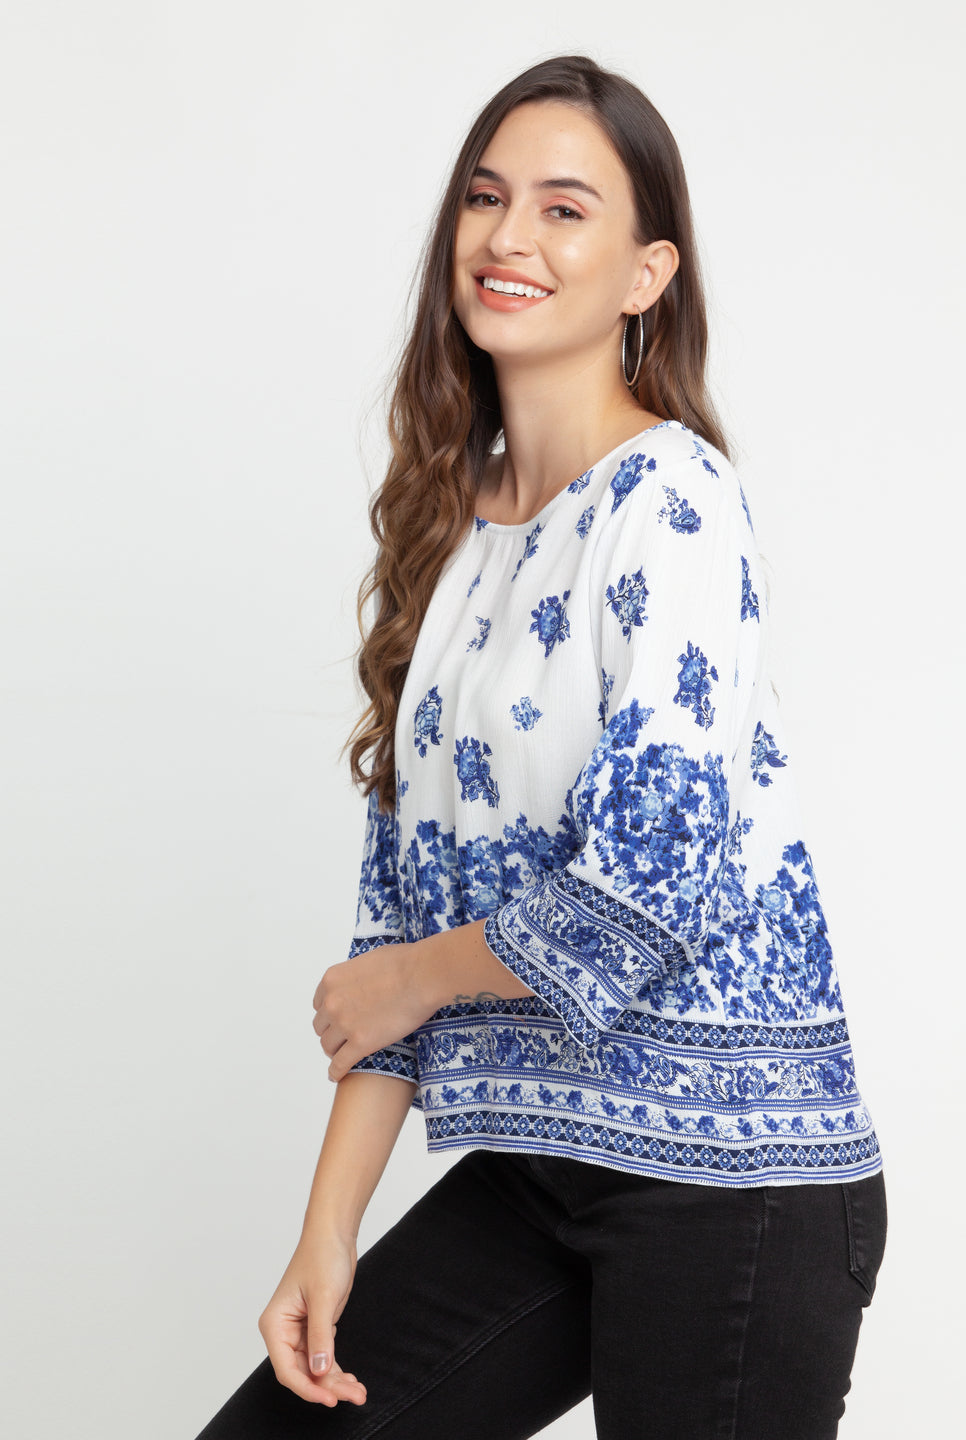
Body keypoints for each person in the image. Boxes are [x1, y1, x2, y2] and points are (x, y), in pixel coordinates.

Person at [194, 53, 886, 1440]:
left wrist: (407, 982)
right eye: (486, 197)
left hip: (738, 1177)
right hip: (540, 1161)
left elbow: (642, 886)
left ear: (646, 274)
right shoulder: (451, 528)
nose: (509, 236)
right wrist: (327, 1235)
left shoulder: (675, 501)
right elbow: (395, 919)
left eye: (565, 210)